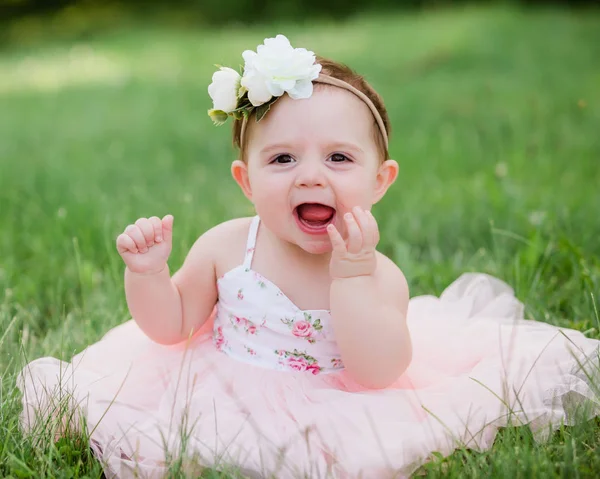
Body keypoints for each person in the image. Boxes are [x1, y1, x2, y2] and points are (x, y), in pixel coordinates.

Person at [18, 34, 600, 479]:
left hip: (336, 397)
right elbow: (171, 328)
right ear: (246, 181)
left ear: (380, 180)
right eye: (283, 160)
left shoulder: (380, 276)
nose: (311, 176)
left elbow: (378, 372)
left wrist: (351, 277)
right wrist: (148, 275)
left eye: (340, 159)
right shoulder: (226, 246)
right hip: (222, 383)